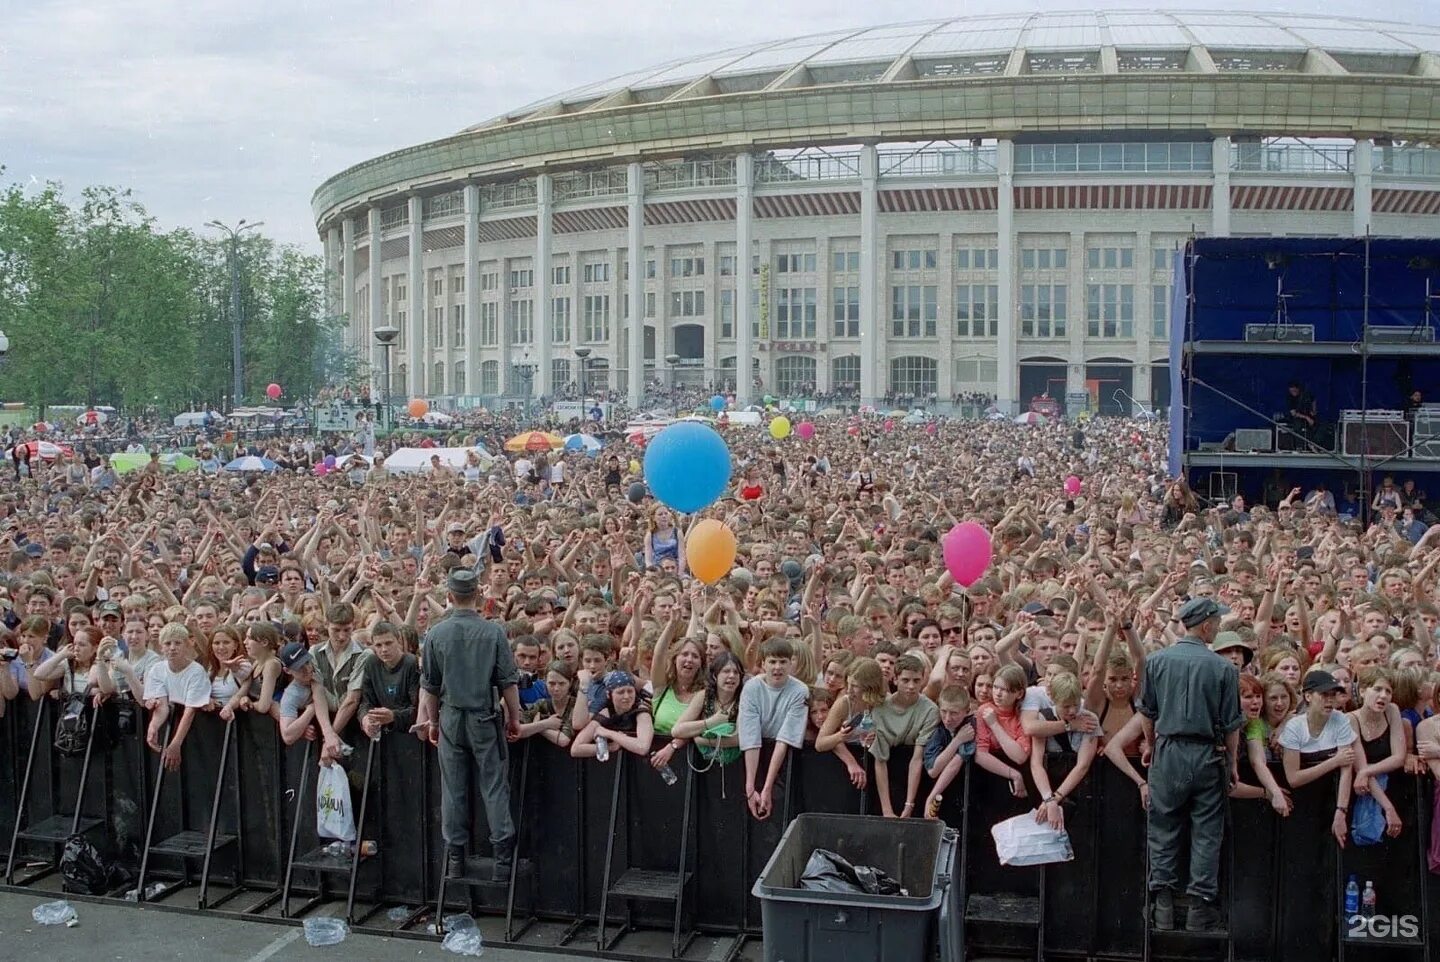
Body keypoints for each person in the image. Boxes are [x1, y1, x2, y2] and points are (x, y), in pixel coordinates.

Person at [1138, 597, 1244, 933]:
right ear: (1207, 624)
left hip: (1168, 749)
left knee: (1164, 827)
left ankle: (1164, 907)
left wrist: (1154, 747)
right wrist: (1232, 763)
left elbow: (1148, 714)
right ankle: (1199, 908)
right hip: (1207, 754)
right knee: (1207, 832)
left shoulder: (1156, 661)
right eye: (1217, 622)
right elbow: (1231, 725)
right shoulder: (1224, 668)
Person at [411, 569, 521, 882]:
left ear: (448, 595)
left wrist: (433, 721)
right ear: (478, 595)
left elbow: (429, 686)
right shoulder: (493, 632)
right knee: (495, 787)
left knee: (453, 790)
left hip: (450, 716)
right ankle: (502, 864)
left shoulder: (436, 633)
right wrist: (514, 718)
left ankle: (455, 860)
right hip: (484, 717)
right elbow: (508, 682)